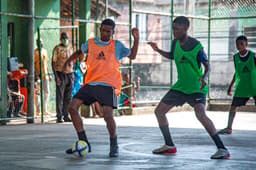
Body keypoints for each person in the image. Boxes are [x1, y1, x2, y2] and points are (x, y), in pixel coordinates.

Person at [147, 16, 230, 159]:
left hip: (197, 87)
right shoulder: (175, 42)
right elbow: (173, 56)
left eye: (177, 29)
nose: (174, 32)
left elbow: (208, 66)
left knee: (200, 115)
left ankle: (222, 149)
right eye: (173, 29)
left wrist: (204, 78)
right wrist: (158, 50)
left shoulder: (196, 46)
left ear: (186, 29)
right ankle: (169, 145)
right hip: (181, 86)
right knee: (159, 111)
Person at [64, 18, 139, 157]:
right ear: (100, 29)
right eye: (103, 30)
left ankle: (114, 144)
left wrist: (136, 39)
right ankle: (83, 141)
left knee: (108, 116)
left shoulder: (117, 46)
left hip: (108, 85)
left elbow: (133, 56)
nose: (105, 33)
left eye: (108, 31)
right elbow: (80, 52)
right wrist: (68, 61)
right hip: (91, 83)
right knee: (72, 108)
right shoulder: (91, 43)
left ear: (112, 32)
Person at [218, 35, 256, 135]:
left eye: (241, 44)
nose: (239, 46)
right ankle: (229, 128)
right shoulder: (235, 57)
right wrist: (231, 86)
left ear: (246, 45)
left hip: (254, 86)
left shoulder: (253, 56)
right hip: (242, 87)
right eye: (237, 44)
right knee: (233, 106)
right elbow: (237, 72)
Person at [52, 32, 73, 123]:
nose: (65, 40)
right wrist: (56, 76)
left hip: (70, 74)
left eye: (67, 38)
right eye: (63, 38)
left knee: (68, 97)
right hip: (60, 73)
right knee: (60, 96)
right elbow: (53, 62)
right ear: (61, 39)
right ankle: (59, 116)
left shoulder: (70, 47)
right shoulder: (57, 49)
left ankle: (66, 115)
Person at [34, 39, 52, 116]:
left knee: (47, 92)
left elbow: (46, 63)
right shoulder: (35, 52)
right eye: (39, 42)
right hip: (38, 75)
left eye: (41, 42)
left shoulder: (44, 51)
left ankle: (45, 109)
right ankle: (38, 110)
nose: (41, 44)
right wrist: (36, 75)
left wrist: (48, 74)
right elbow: (33, 65)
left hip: (45, 75)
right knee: (38, 92)